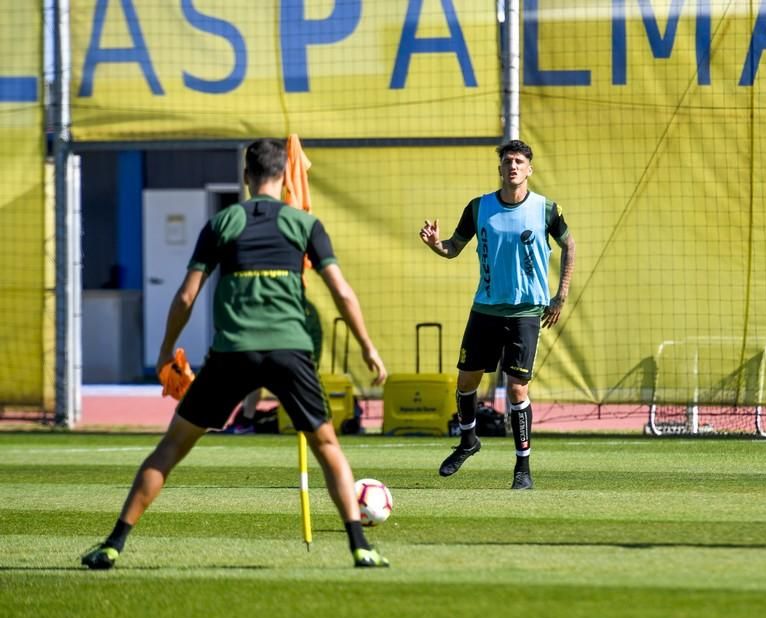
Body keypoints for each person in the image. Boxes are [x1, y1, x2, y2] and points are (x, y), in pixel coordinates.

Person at [82, 139, 390, 569]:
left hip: (232, 352)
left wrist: (166, 350)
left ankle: (114, 543)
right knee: (327, 446)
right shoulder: (305, 223)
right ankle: (360, 546)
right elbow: (342, 292)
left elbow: (186, 297)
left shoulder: (222, 222)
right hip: (289, 350)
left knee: (171, 447)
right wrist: (368, 346)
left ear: (246, 177)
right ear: (285, 180)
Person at [419, 139, 576, 489]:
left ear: (529, 169)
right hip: (486, 308)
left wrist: (561, 294)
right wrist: (435, 244)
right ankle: (468, 441)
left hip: (525, 311)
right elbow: (453, 248)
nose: (513, 166)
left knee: (517, 390)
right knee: (466, 381)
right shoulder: (479, 207)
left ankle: (523, 468)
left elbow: (569, 245)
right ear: (500, 169)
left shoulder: (546, 209)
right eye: (508, 161)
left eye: (519, 161)